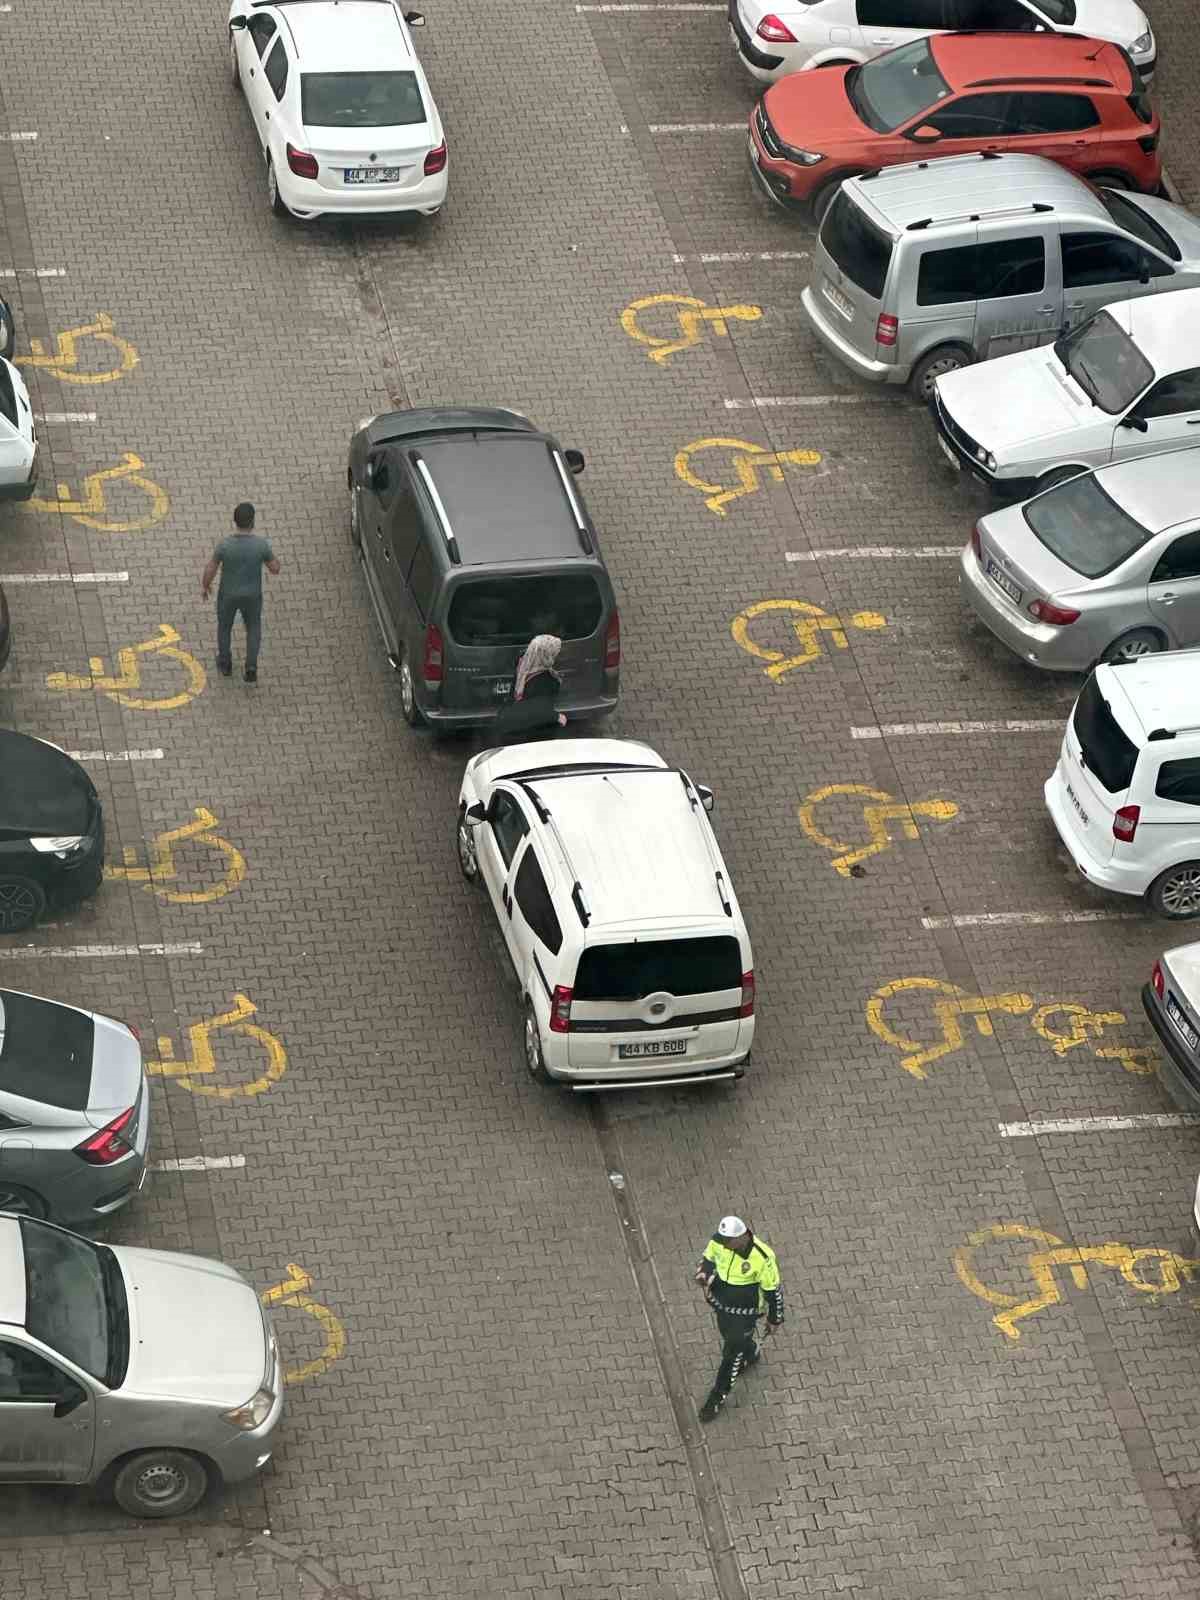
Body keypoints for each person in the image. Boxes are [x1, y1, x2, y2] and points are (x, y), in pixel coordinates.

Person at [694, 1214, 783, 1423]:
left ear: (741, 1237)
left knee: (731, 1353)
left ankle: (717, 1396)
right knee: (729, 1336)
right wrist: (704, 1271)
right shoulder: (720, 1241)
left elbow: (773, 1291)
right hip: (721, 1305)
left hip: (745, 1313)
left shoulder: (762, 1257)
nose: (723, 1244)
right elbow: (709, 1256)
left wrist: (775, 1318)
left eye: (728, 1241)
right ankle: (750, 1352)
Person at [201, 502, 280, 683]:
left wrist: (205, 586)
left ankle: (225, 663)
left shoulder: (225, 545)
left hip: (228, 595)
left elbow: (211, 568)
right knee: (253, 627)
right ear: (252, 522)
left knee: (224, 626)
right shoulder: (261, 545)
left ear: (234, 521)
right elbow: (275, 568)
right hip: (252, 596)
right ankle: (251, 667)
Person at [493, 633, 568, 737]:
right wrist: (556, 717)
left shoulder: (523, 665)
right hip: (533, 731)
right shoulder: (546, 679)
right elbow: (539, 709)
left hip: (511, 725)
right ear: (546, 654)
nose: (557, 655)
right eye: (555, 652)